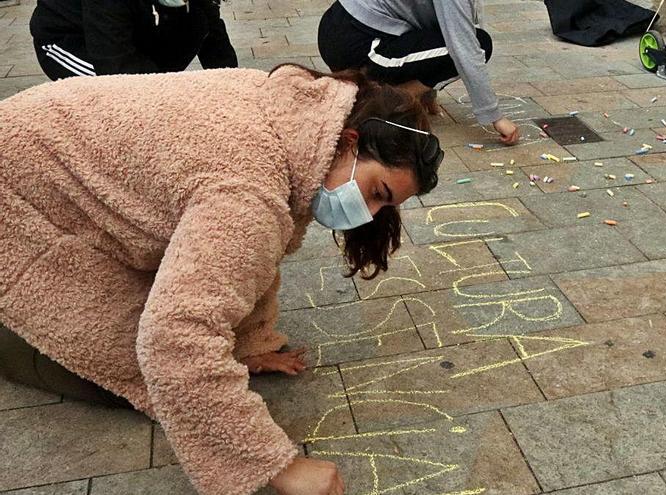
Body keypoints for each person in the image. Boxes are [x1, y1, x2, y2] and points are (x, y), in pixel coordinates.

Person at [0, 64, 442, 495]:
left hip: (43, 151)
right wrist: (278, 464)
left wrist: (249, 344)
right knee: (140, 372)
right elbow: (174, 337)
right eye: (376, 192)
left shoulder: (301, 119)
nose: (368, 213)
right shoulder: (247, 189)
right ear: (350, 141)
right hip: (16, 194)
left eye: (385, 206)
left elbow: (248, 260)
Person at [318, 0, 521, 146]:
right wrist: (495, 117)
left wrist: (428, 91)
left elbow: (430, 26)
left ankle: (379, 90)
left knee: (470, 41)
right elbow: (465, 47)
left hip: (336, 27)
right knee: (480, 45)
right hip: (360, 44)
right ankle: (379, 101)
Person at [29, 0, 237, 79]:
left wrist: (233, 86)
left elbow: (213, 32)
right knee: (115, 90)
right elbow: (112, 63)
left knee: (197, 20)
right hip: (71, 39)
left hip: (131, 26)